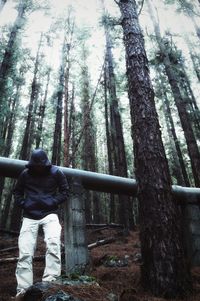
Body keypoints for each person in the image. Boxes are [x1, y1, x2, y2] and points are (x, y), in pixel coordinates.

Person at [13, 149, 69, 301]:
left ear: (45, 163)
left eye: (41, 165)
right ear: (32, 163)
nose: (38, 167)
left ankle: (50, 284)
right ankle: (23, 291)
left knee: (53, 244)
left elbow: (65, 191)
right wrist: (25, 204)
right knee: (25, 252)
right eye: (35, 165)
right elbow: (17, 192)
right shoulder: (25, 174)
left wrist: (52, 202)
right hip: (29, 216)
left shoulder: (56, 172)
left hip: (50, 214)